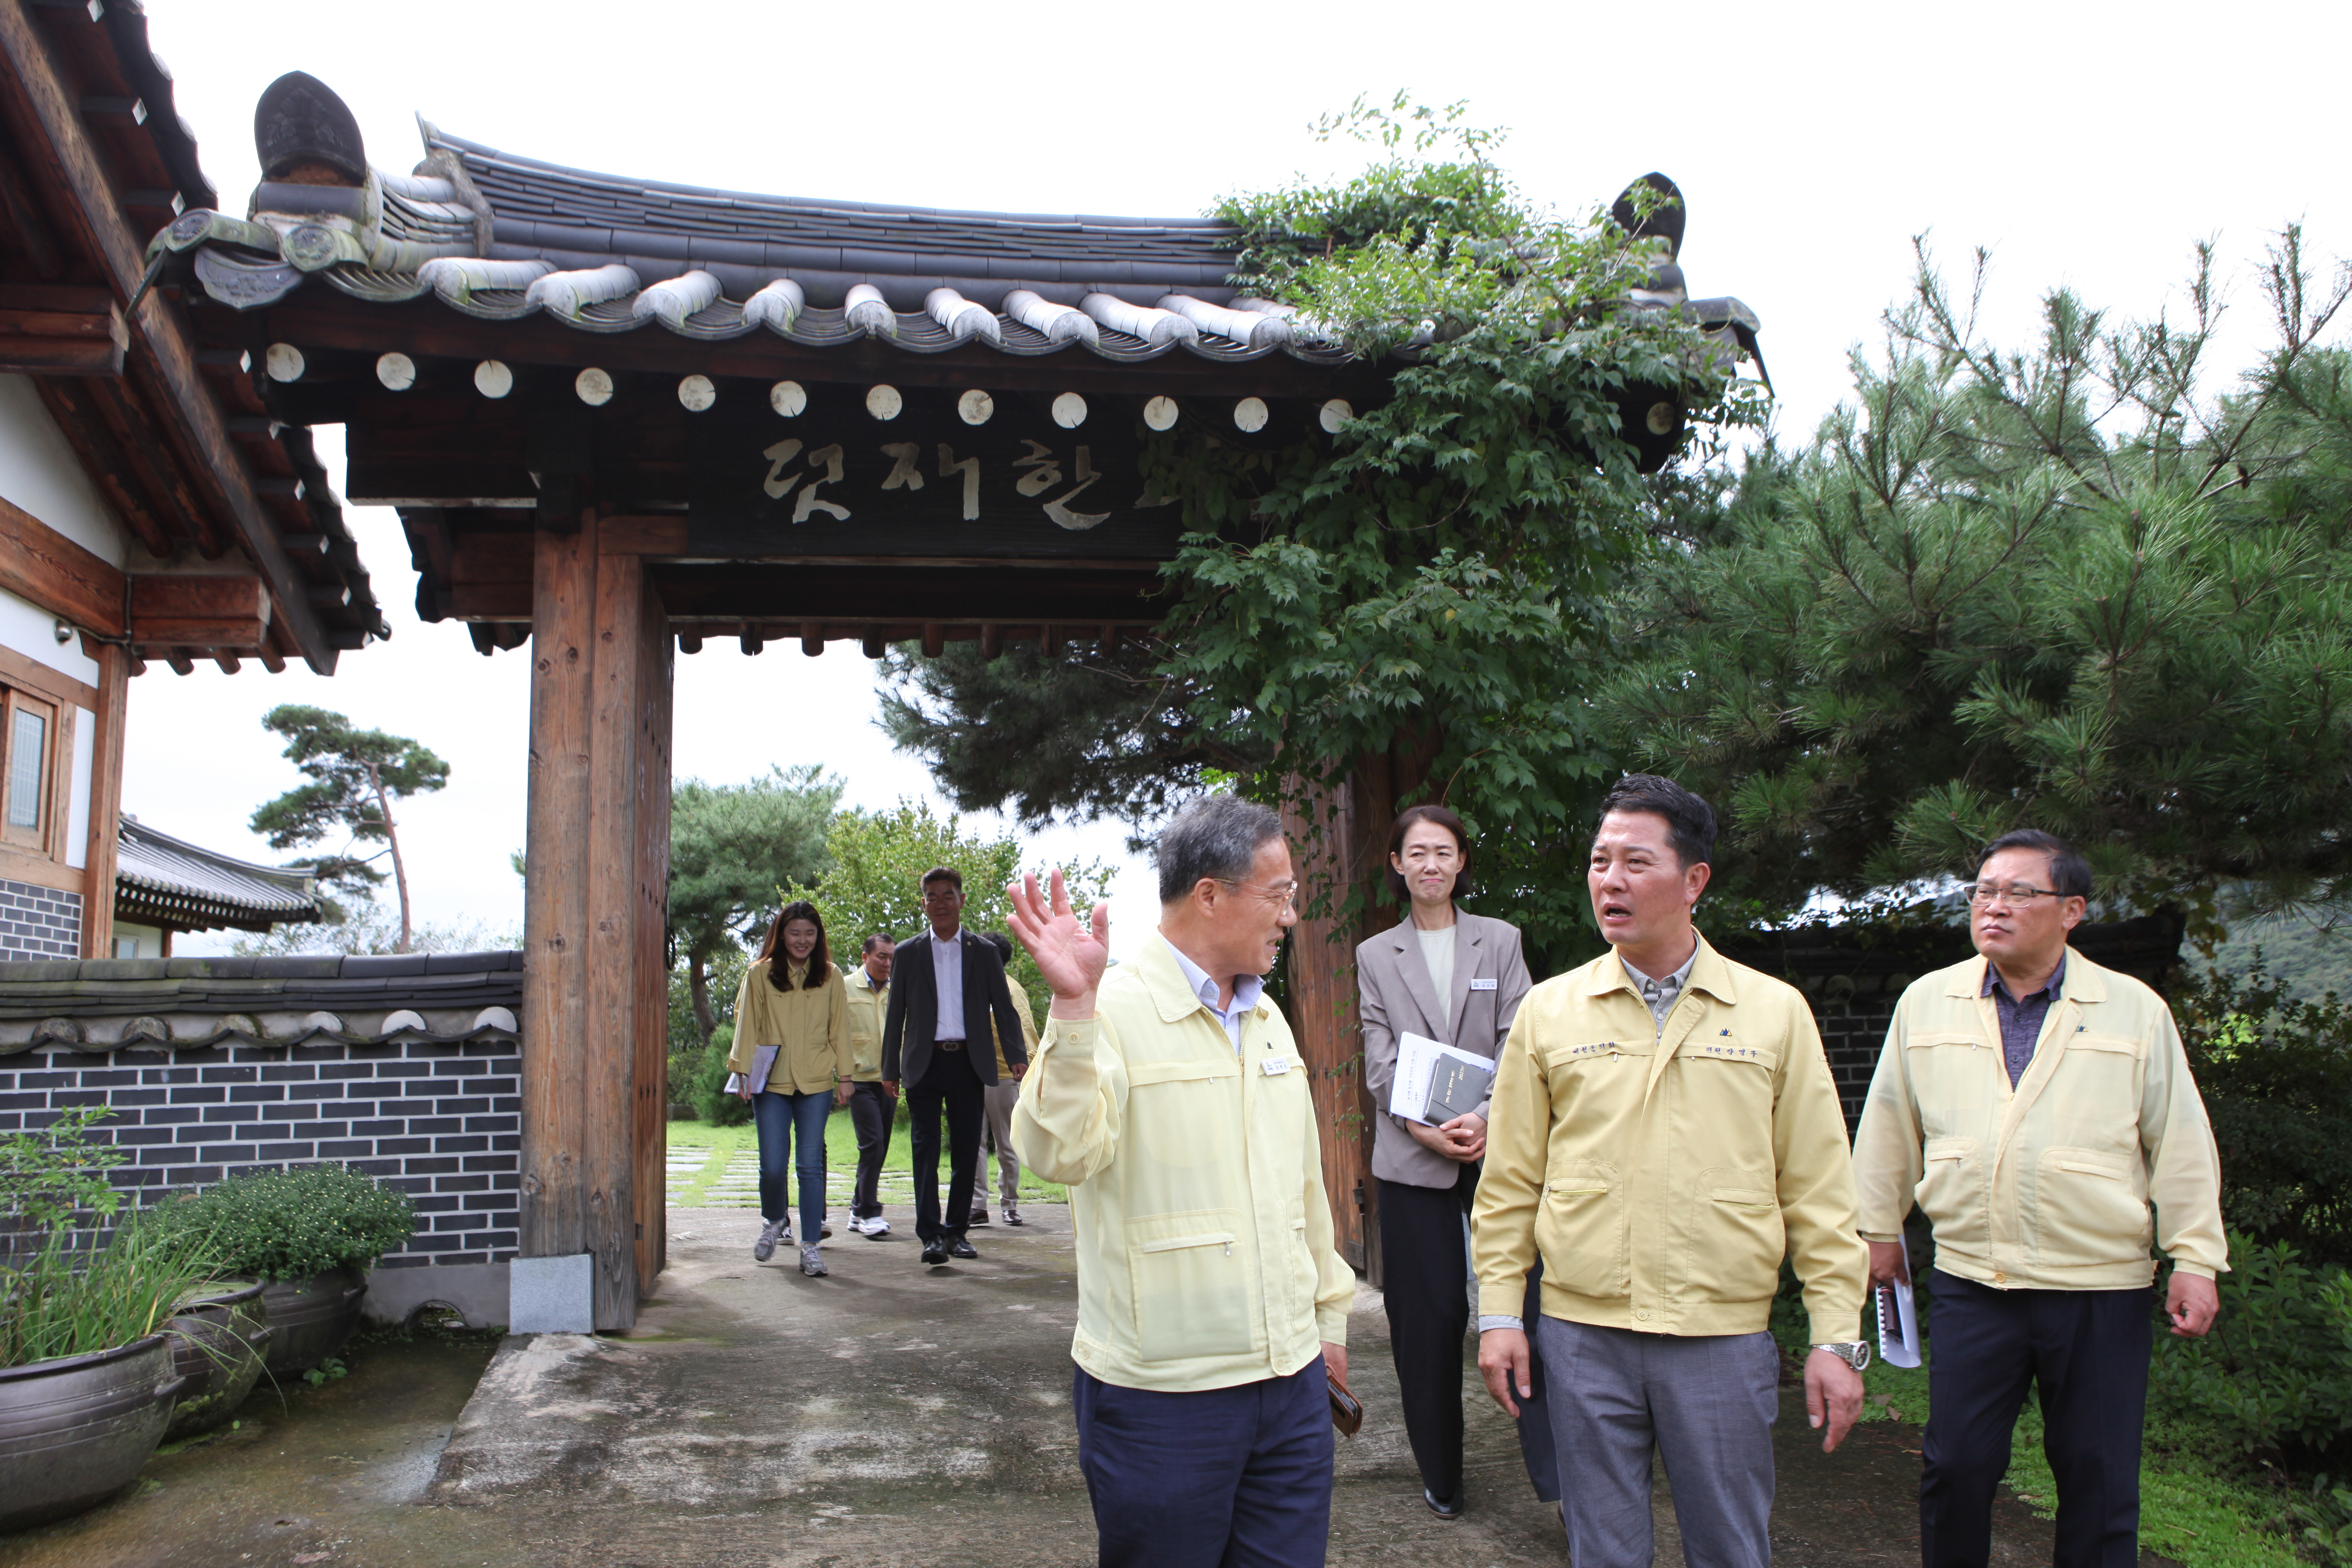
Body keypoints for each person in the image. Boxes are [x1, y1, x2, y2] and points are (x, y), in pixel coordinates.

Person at [1472, 774, 1870, 1568]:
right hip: (1584, 1334)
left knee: (1729, 1545)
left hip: (1718, 1333)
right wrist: (1502, 1314)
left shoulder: (1772, 1010)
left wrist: (1836, 1335)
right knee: (1602, 1548)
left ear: (1694, 880)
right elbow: (1510, 1181)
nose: (1609, 880)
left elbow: (1821, 1189)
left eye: (1635, 862)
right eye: (1598, 860)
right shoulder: (1551, 1012)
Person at [1851, 829, 2226, 1568]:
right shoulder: (1928, 1002)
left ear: (2072, 909)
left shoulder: (2132, 1009)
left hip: (2097, 1285)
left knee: (2098, 1474)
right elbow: (1888, 1124)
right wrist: (1876, 1228)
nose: (1993, 906)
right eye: (1983, 891)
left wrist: (2195, 1256)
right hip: (1973, 1277)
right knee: (1955, 1463)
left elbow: (2178, 1137)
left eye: (2018, 892)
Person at [1009, 795, 1354, 1568]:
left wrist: (1326, 1324)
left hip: (1292, 1385)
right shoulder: (1112, 1009)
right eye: (1279, 895)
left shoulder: (1268, 1017)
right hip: (1163, 1398)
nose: (1291, 916)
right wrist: (1071, 1006)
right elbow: (1056, 1151)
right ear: (1210, 893)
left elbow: (1305, 1191)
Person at [1356, 803, 1535, 1520]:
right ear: (1397, 864)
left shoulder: (1500, 941)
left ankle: (1556, 1463)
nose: (1431, 863)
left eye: (1445, 851)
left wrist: (1486, 1118)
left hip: (1497, 1147)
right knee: (1426, 1319)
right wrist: (1425, 1128)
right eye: (1417, 852)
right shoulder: (1375, 954)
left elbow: (1520, 1039)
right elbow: (1379, 1056)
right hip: (1410, 1156)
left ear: (1462, 861)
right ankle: (1442, 1473)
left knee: (1527, 1305)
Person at [882, 866, 1027, 1266]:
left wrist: (1017, 1054)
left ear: (961, 901)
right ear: (924, 903)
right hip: (923, 1064)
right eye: (932, 896)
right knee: (924, 1150)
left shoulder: (982, 952)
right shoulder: (909, 953)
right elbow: (895, 1015)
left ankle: (958, 1232)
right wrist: (889, 1070)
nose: (940, 903)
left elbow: (1004, 1006)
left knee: (967, 1149)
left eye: (948, 895)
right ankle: (931, 1236)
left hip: (969, 1061)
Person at [727, 900, 852, 1278]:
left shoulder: (831, 976)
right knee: (773, 1164)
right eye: (795, 933)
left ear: (819, 937)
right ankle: (773, 1222)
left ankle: (811, 1246)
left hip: (814, 1080)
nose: (802, 941)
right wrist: (741, 1073)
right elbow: (746, 1025)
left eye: (810, 934)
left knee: (810, 1166)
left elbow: (840, 1030)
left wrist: (845, 1077)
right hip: (772, 1082)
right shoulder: (760, 975)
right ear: (781, 935)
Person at [970, 931, 1040, 1228]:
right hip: (971, 1076)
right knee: (972, 1145)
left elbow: (1025, 1029)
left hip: (1004, 1077)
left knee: (1006, 1145)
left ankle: (1009, 1204)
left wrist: (1030, 1067)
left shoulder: (1012, 989)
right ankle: (976, 1206)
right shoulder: (970, 986)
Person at [843, 931, 896, 1238]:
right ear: (865, 957)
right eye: (882, 956)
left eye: (891, 958)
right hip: (859, 1080)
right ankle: (869, 1212)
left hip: (888, 1080)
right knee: (872, 1144)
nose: (887, 963)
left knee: (881, 1147)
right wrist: (842, 1077)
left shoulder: (897, 989)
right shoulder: (846, 987)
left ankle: (856, 1207)